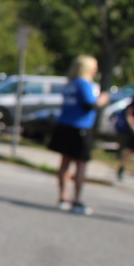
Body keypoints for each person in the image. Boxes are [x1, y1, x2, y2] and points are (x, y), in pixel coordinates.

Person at [47, 55, 110, 214]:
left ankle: (63, 196)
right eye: (94, 67)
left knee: (64, 162)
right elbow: (89, 105)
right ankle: (76, 200)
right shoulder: (84, 84)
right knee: (80, 164)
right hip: (80, 127)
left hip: (64, 125)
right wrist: (102, 100)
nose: (96, 70)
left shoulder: (70, 83)